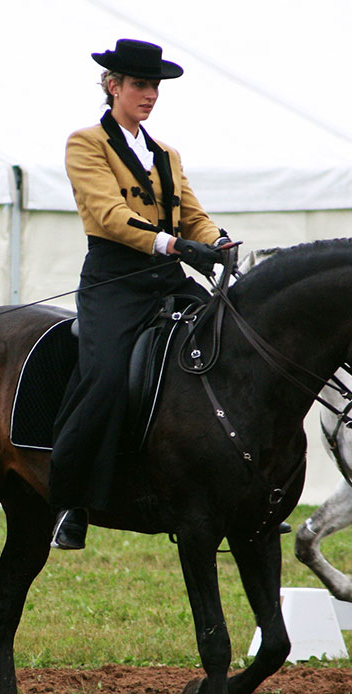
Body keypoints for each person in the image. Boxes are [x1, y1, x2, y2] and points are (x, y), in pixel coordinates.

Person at [48, 39, 235, 549]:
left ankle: (231, 488)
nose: (149, 94)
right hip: (116, 280)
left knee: (233, 344)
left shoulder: (166, 154)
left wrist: (216, 241)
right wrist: (173, 244)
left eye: (153, 86)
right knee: (106, 377)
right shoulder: (86, 143)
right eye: (138, 85)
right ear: (113, 87)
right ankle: (70, 498)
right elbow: (109, 215)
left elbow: (192, 213)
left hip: (169, 275)